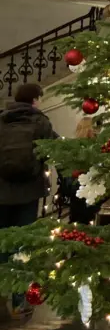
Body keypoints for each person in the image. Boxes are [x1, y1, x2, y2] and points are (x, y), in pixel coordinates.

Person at [0, 82, 58, 318]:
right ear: (35, 99)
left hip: (1, 193)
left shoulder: (1, 121)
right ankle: (19, 301)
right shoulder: (41, 123)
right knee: (22, 245)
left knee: (1, 242)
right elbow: (55, 149)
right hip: (27, 194)